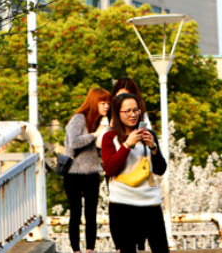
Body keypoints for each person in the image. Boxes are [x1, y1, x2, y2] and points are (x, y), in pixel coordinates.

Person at [101, 93, 168, 253]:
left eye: (136, 110)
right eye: (127, 111)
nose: (133, 114)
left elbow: (160, 169)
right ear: (117, 113)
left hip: (150, 202)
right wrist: (127, 145)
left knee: (161, 249)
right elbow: (110, 169)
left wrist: (153, 147)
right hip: (122, 204)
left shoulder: (148, 134)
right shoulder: (110, 137)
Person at [64, 88, 111, 253]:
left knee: (91, 214)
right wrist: (95, 134)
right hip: (73, 173)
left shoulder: (101, 121)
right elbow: (74, 142)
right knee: (75, 213)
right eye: (102, 103)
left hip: (92, 172)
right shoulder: (79, 118)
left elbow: (99, 148)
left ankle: (90, 249)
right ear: (93, 102)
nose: (106, 106)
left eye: (108, 103)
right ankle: (76, 250)